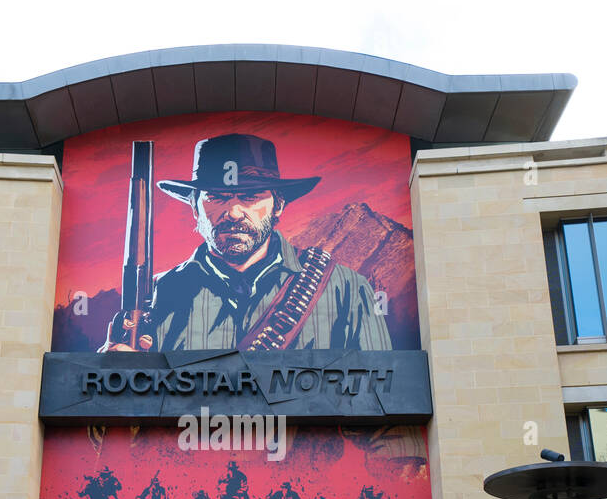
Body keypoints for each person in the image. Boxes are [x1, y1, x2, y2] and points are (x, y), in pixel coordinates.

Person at [101, 133, 392, 352]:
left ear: (278, 205)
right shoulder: (155, 294)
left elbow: (385, 405)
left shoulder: (346, 289)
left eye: (251, 197)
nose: (234, 212)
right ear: (195, 208)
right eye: (216, 197)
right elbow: (109, 427)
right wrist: (112, 377)